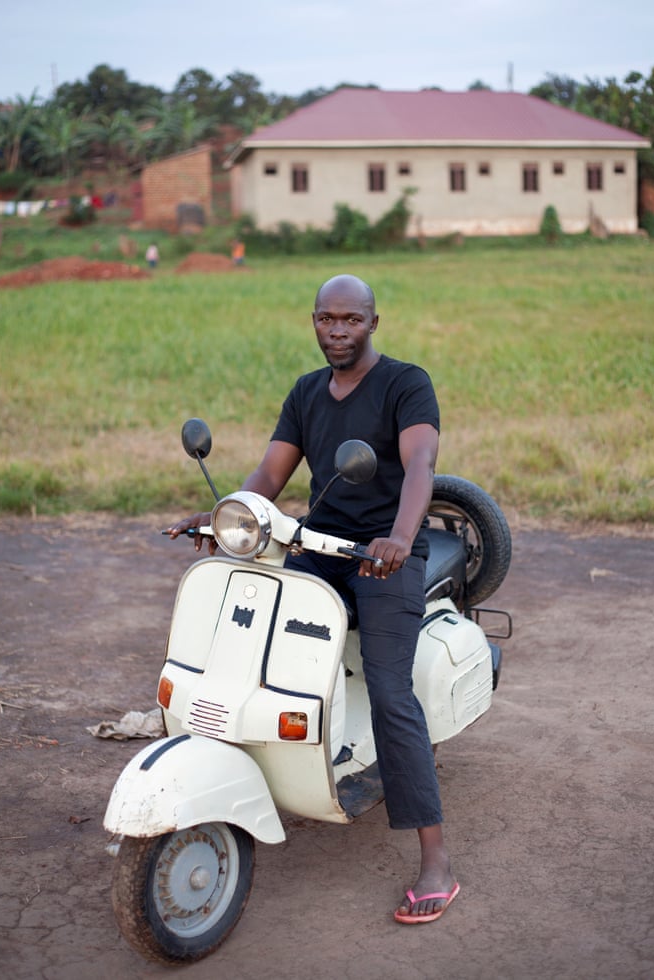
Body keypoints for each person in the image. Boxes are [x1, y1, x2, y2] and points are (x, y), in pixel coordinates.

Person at [167, 274, 457, 924]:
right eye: (326, 319)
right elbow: (271, 474)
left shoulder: (406, 384)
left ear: (373, 324)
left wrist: (401, 538)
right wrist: (224, 518)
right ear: (314, 321)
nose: (337, 331)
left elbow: (420, 466)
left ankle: (434, 856)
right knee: (248, 633)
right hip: (321, 547)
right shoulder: (305, 392)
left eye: (350, 320)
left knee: (390, 691)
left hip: (384, 559)